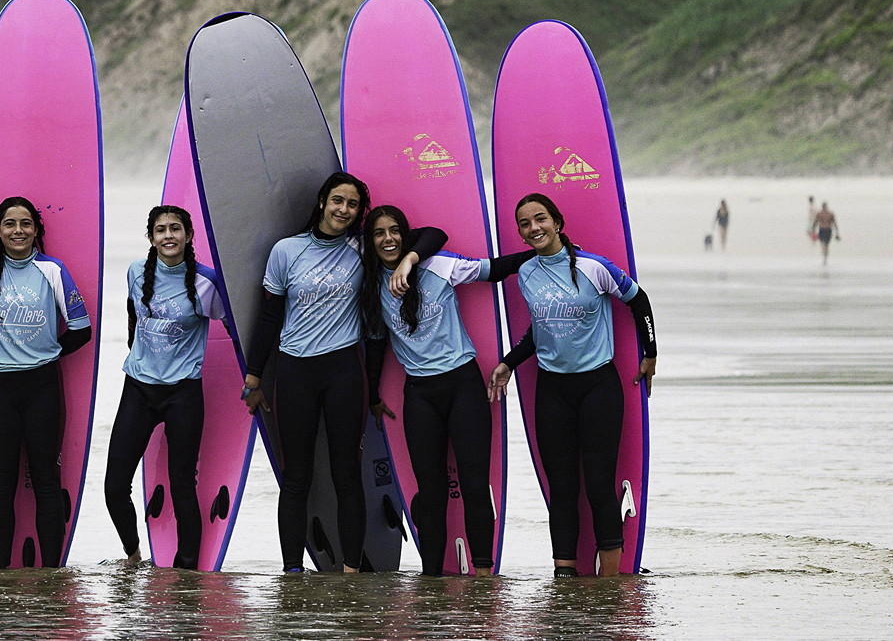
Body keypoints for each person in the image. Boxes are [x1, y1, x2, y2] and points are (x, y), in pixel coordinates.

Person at [242, 171, 446, 573]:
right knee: (296, 476)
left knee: (347, 473)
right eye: (338, 200)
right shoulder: (286, 250)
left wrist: (409, 258)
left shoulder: (362, 248)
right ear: (322, 202)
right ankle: (291, 571)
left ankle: (352, 571)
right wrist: (253, 376)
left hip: (343, 372)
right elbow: (269, 317)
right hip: (295, 372)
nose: (344, 209)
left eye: (353, 204)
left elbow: (433, 235)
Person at [487, 193, 658, 577]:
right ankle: (563, 577)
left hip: (598, 387)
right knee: (561, 488)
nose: (534, 228)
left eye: (540, 219)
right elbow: (540, 331)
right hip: (552, 390)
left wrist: (650, 353)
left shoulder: (594, 267)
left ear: (557, 222)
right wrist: (509, 362)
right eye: (525, 224)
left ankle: (610, 580)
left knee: (598, 483)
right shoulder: (526, 272)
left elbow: (638, 300)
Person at [358, 205, 530, 576]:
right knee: (430, 492)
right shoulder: (371, 287)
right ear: (370, 241)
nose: (388, 239)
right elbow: (376, 346)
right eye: (378, 233)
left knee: (474, 485)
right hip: (420, 394)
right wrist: (372, 395)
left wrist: (544, 253)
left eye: (394, 231)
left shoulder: (438, 265)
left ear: (405, 235)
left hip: (463, 385)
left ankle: (482, 577)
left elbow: (493, 269)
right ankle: (431, 579)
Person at [0, 196, 93, 568]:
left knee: (47, 481)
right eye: (10, 224)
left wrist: (47, 353)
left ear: (36, 230)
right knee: (1, 486)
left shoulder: (52, 271)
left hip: (42, 388)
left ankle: (52, 573)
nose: (18, 231)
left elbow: (82, 329)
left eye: (26, 223)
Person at [103, 205, 228, 569]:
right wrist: (138, 355)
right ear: (151, 237)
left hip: (183, 393)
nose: (168, 235)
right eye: (161, 230)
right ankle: (133, 556)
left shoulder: (206, 282)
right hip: (139, 388)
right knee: (114, 486)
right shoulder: (135, 271)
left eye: (175, 228)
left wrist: (254, 377)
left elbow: (234, 326)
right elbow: (133, 314)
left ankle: (186, 573)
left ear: (188, 235)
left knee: (182, 485)